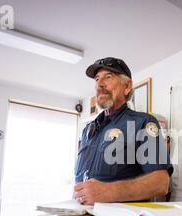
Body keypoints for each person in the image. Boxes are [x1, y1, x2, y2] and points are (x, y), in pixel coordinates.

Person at [74, 57, 173, 205]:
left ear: (127, 86)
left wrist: (106, 192)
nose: (100, 84)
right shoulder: (88, 130)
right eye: (97, 79)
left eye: (108, 77)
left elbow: (160, 183)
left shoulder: (143, 123)